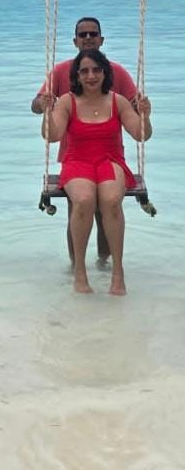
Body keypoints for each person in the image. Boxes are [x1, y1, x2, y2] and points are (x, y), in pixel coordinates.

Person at [41, 48, 152, 295]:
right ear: (77, 75)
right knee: (83, 200)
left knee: (111, 200)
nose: (91, 76)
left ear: (105, 72)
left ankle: (118, 273)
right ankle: (80, 273)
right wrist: (47, 113)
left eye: (96, 70)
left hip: (110, 160)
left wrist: (145, 115)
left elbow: (141, 134)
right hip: (77, 161)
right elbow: (53, 136)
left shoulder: (117, 101)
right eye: (84, 71)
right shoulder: (67, 101)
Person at [31, 17, 137, 261]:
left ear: (101, 39)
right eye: (83, 34)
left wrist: (140, 109)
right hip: (75, 155)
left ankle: (103, 264)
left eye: (93, 33)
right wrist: (43, 104)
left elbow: (133, 107)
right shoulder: (61, 71)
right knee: (79, 207)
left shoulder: (116, 72)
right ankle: (75, 268)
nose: (88, 38)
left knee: (107, 209)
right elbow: (35, 105)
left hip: (109, 155)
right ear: (75, 41)